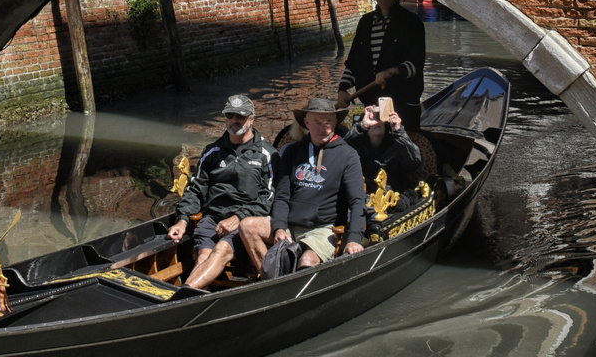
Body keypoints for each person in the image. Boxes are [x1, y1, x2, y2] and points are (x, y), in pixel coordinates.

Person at [166, 94, 277, 288]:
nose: (234, 120)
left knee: (222, 249)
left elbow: (270, 197)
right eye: (230, 115)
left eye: (240, 116)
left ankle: (184, 295)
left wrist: (239, 217)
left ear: (251, 118)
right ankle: (191, 299)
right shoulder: (212, 152)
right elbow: (195, 190)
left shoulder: (267, 154)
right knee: (204, 255)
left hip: (245, 223)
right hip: (213, 219)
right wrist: (182, 220)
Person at [270, 97, 366, 268]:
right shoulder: (292, 152)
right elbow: (281, 196)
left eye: (328, 121)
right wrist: (279, 227)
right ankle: (270, 278)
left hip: (323, 229)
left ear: (335, 122)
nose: (324, 127)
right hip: (289, 225)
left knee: (307, 260)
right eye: (318, 122)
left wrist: (354, 240)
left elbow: (357, 202)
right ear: (307, 123)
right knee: (249, 226)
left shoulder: (348, 155)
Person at [337, 0, 426, 130]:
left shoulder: (412, 23)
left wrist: (391, 71)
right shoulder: (365, 22)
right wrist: (343, 89)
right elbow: (354, 62)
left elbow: (415, 64)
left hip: (402, 103)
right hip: (372, 103)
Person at [344, 102, 423, 193]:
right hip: (363, 195)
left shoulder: (397, 145)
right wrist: (362, 126)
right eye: (371, 119)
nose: (376, 122)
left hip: (394, 196)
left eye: (379, 118)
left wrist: (398, 131)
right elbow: (340, 153)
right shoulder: (357, 146)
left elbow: (414, 162)